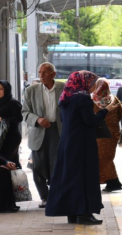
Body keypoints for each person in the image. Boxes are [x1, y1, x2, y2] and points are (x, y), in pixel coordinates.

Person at [45, 71, 119, 225]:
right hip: (82, 144)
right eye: (92, 84)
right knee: (85, 177)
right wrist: (107, 110)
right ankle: (84, 213)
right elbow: (90, 120)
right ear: (84, 82)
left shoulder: (65, 98)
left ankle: (72, 214)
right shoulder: (83, 99)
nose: (93, 87)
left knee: (71, 177)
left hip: (67, 143)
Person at [21, 62, 65, 209]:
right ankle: (44, 197)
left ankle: (55, 196)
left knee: (56, 165)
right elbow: (25, 112)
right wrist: (37, 119)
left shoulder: (63, 89)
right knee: (38, 167)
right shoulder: (31, 90)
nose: (41, 76)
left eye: (45, 72)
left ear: (53, 74)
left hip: (57, 131)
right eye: (40, 73)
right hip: (38, 132)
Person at [91, 78, 122, 192]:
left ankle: (112, 182)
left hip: (99, 134)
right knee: (107, 157)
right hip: (113, 134)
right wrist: (113, 122)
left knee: (101, 158)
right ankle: (111, 182)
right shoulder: (113, 99)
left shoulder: (93, 100)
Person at [0, 80, 23, 169]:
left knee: (10, 160)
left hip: (11, 137)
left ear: (6, 90)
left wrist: (3, 119)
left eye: (1, 89)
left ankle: (17, 181)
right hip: (1, 135)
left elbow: (19, 118)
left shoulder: (13, 102)